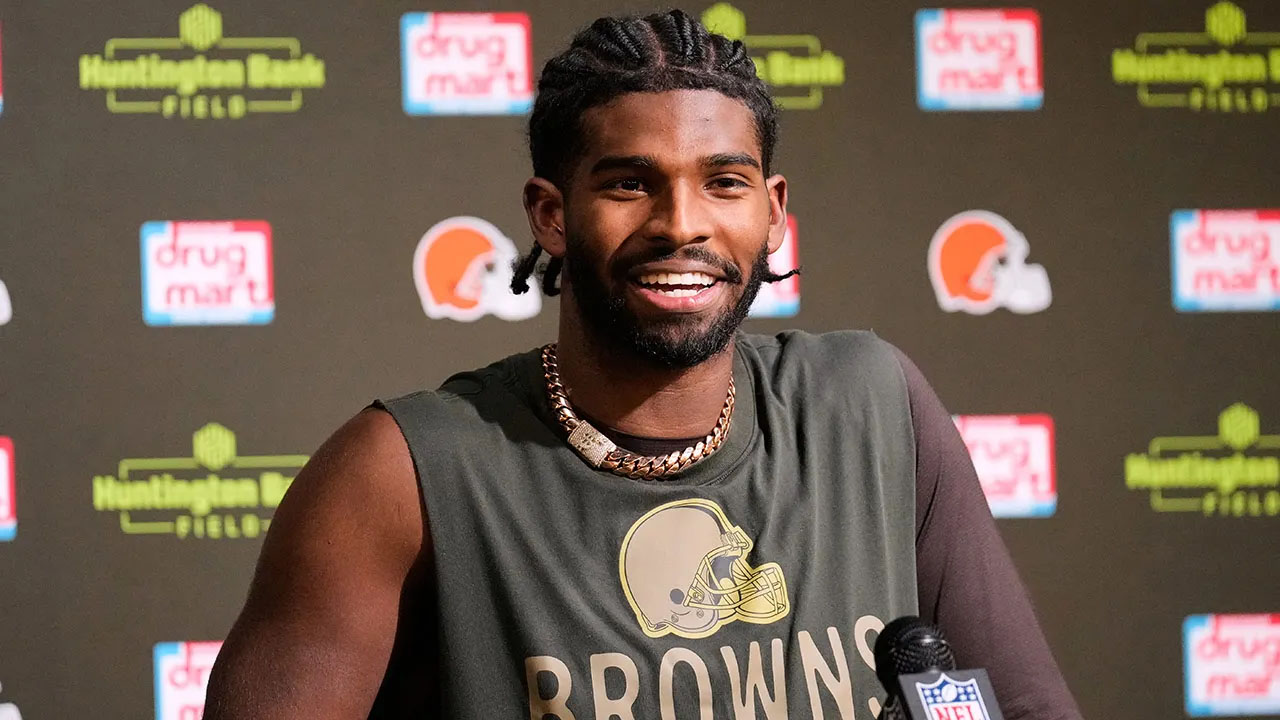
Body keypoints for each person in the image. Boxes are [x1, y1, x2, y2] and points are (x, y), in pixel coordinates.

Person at [205, 10, 1082, 719]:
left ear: (773, 210)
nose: (682, 224)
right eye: (630, 183)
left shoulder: (872, 403)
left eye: (724, 182)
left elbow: (1027, 706)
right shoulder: (402, 472)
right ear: (551, 215)